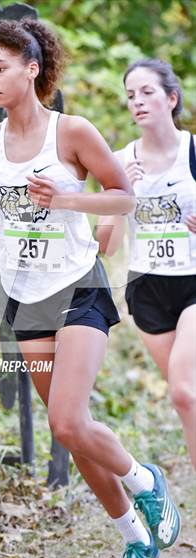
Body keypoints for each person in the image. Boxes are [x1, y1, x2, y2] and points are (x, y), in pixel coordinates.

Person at [0, 20, 180, 558]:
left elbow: (122, 198)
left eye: (0, 68)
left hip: (79, 284)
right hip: (28, 297)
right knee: (74, 435)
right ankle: (133, 536)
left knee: (67, 421)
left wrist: (66, 202)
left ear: (32, 68)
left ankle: (145, 478)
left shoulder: (71, 132)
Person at [96, 59, 196, 473]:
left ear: (171, 98)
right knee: (188, 398)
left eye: (147, 92)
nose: (137, 101)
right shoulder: (120, 162)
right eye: (130, 95)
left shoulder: (193, 151)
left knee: (184, 392)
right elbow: (107, 246)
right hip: (147, 288)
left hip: (193, 282)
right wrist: (123, 195)